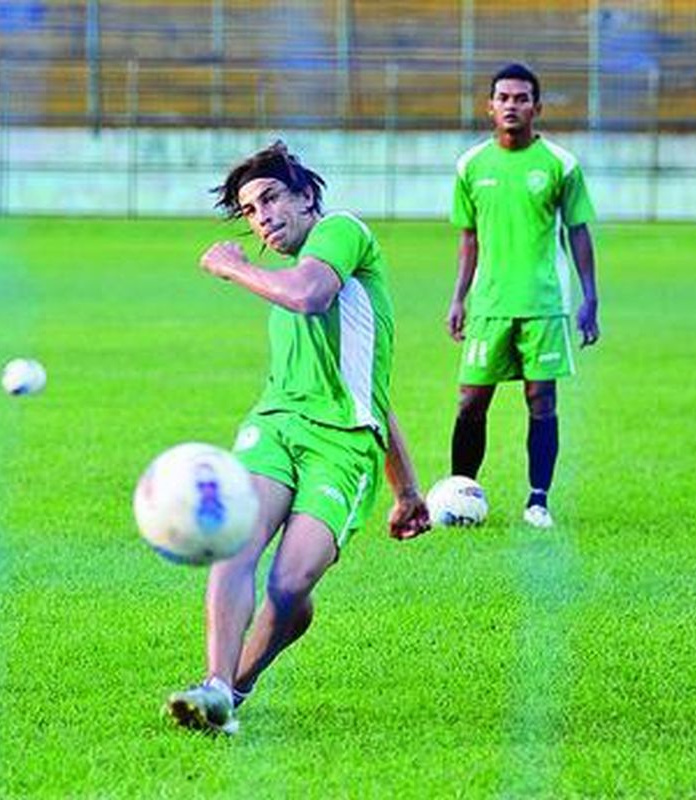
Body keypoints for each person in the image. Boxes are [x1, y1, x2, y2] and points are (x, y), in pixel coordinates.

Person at [164, 141, 430, 735]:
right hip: (276, 426)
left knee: (291, 586)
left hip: (343, 446)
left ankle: (235, 688)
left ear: (307, 195)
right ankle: (214, 686)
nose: (261, 218)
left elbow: (346, 358)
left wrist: (231, 265)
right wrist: (410, 490)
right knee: (238, 541)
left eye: (270, 199)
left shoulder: (341, 234)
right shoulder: (280, 282)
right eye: (250, 213)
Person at [446, 63, 600, 529]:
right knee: (471, 401)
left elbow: (578, 232)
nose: (512, 106)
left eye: (521, 98)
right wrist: (458, 298)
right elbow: (469, 237)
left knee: (541, 400)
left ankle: (538, 501)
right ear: (490, 106)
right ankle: (459, 493)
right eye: (504, 98)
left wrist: (590, 296)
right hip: (489, 305)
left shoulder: (560, 164)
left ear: (537, 106)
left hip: (543, 304)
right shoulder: (471, 166)